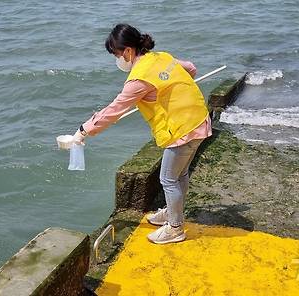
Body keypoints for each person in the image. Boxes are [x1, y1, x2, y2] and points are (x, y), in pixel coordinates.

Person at [73, 23, 212, 244]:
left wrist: (83, 130)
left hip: (182, 129)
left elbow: (114, 110)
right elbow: (191, 69)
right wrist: (166, 93)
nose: (117, 60)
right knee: (180, 174)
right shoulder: (161, 57)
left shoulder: (138, 80)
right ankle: (172, 212)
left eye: (117, 54)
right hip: (199, 119)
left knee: (168, 178)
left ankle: (175, 228)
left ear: (128, 51)